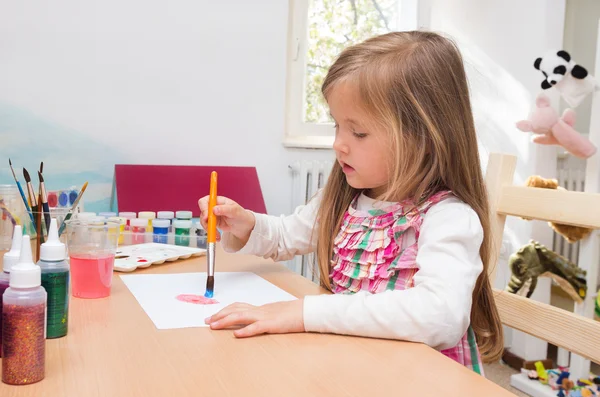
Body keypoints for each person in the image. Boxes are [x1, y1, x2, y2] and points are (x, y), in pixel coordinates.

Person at [198, 30, 503, 375]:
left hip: (416, 378)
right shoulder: (344, 200)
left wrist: (304, 313)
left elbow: (441, 315)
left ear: (426, 138)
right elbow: (285, 235)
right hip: (350, 365)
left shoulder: (448, 217)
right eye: (337, 126)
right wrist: (245, 223)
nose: (339, 144)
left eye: (358, 133)